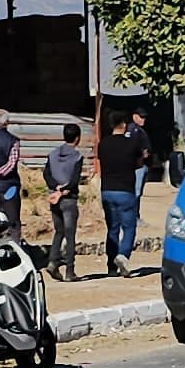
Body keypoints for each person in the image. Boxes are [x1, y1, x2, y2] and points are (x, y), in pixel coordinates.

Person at [99, 109, 152, 273]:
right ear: (123, 125)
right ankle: (123, 254)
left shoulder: (103, 144)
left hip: (107, 190)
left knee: (112, 228)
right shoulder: (131, 144)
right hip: (125, 190)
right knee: (129, 227)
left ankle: (111, 265)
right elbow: (140, 161)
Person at [43, 120, 87, 280]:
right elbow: (75, 179)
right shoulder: (77, 156)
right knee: (70, 234)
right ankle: (69, 270)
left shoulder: (53, 153)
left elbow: (46, 174)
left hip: (53, 197)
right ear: (77, 138)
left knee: (58, 231)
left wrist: (55, 188)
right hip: (69, 198)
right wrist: (64, 189)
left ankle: (53, 263)